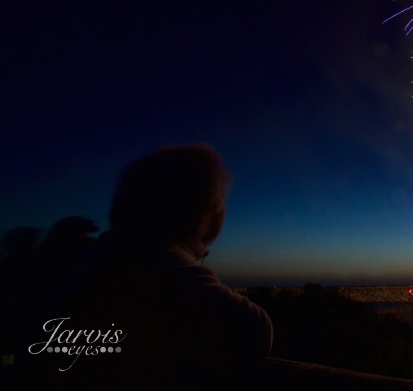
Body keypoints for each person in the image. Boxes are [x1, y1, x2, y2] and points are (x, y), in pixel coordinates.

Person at [51, 144, 272, 387]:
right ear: (204, 213)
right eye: (218, 202)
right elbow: (253, 331)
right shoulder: (153, 260)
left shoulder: (106, 254)